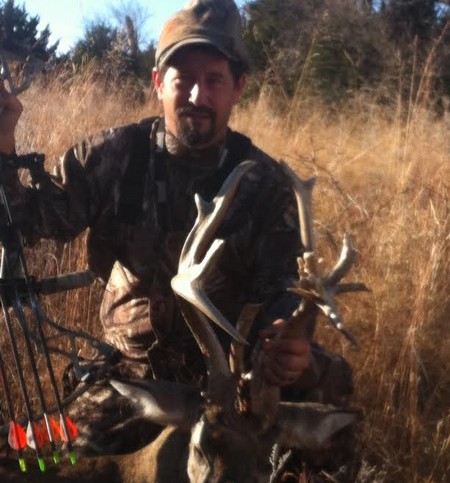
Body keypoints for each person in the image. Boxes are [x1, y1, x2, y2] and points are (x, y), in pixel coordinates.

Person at [0, 0, 353, 456]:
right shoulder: (115, 156)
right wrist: (4, 145)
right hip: (135, 376)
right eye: (183, 78)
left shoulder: (268, 186)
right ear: (158, 83)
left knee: (329, 387)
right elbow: (26, 220)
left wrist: (287, 338)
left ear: (238, 87)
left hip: (234, 378)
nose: (197, 96)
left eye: (214, 80)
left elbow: (284, 287)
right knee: (65, 463)